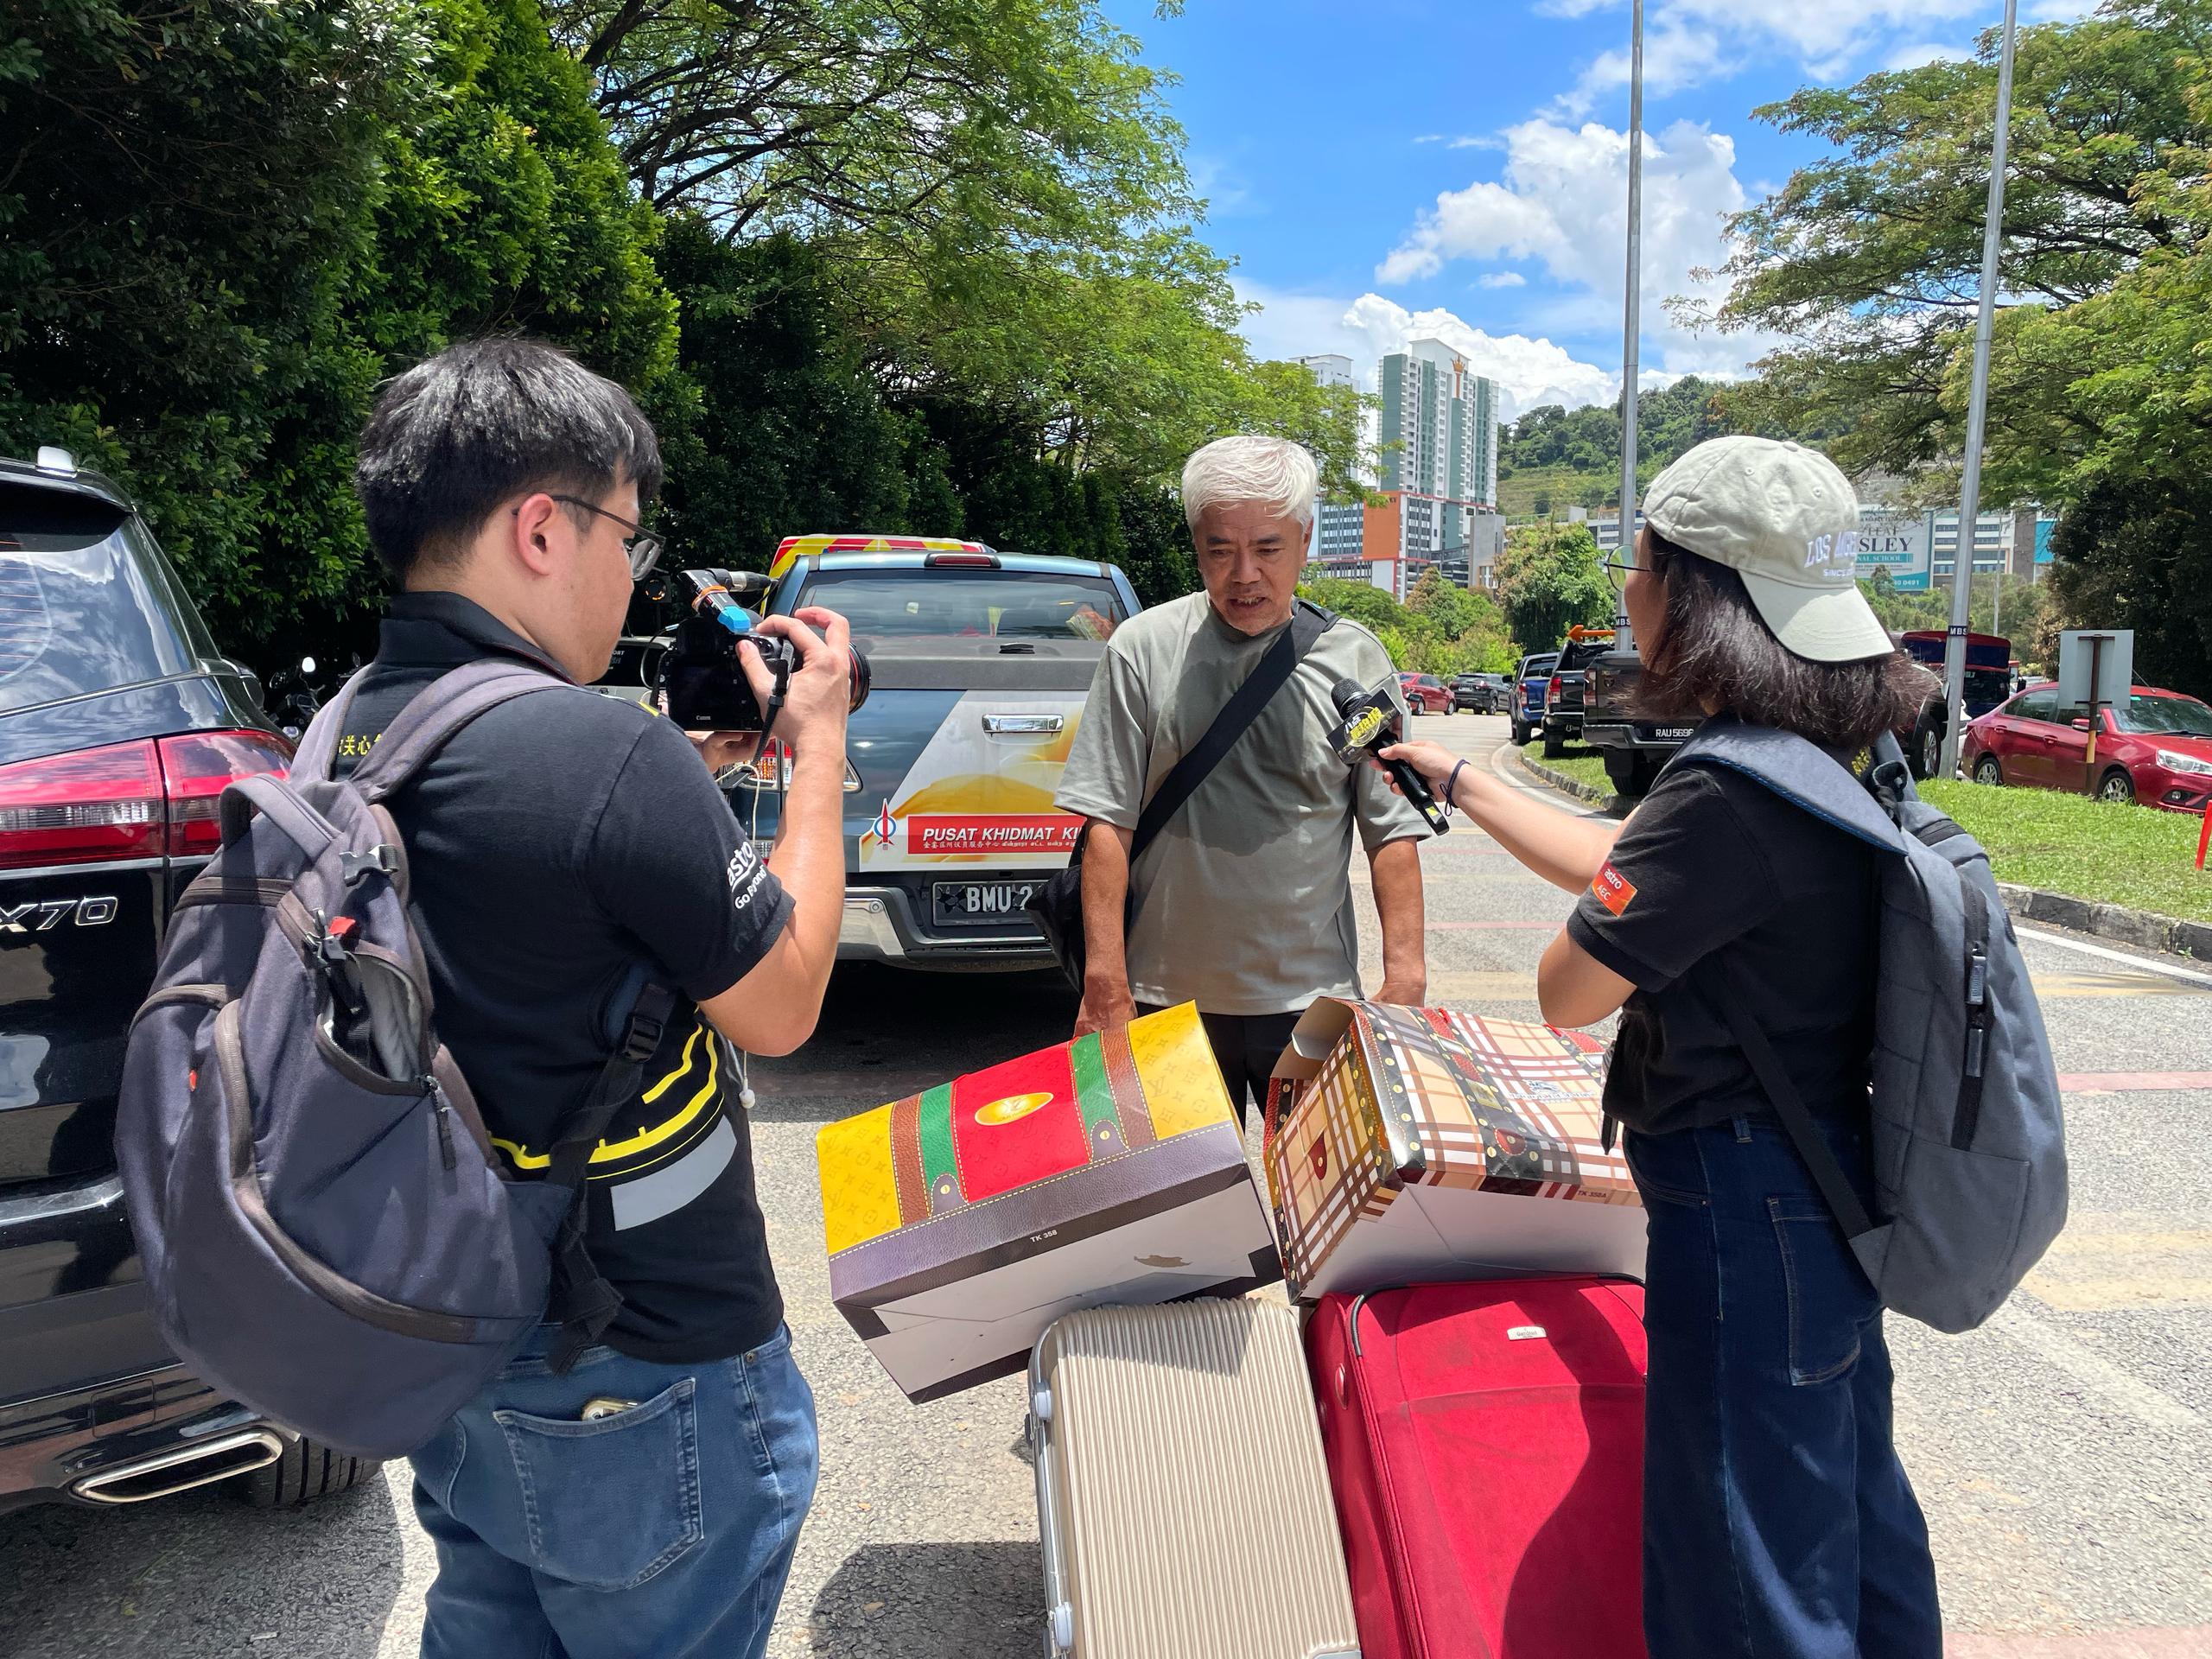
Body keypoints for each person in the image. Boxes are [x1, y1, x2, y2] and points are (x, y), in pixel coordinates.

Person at [1380, 436, 1942, 1658]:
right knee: (1847, 1511)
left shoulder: (1721, 794)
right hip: (1829, 1179)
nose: (1627, 592)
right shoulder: (1828, 760)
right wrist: (1463, 782)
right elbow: (1637, 862)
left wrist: (1613, 900)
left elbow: (1568, 989)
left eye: (1637, 566)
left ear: (1696, 597)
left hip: (1740, 1201)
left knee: (1743, 1558)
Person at [344, 338, 849, 1659]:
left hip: (456, 1331)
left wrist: (679, 786)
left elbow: (528, 891)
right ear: (539, 529)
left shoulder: (350, 729)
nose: (632, 571)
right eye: (627, 533)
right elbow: (785, 1004)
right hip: (642, 1357)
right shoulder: (602, 753)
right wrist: (817, 755)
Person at [1055, 435, 1428, 1120]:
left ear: (1306, 541)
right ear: (1196, 546)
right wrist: (1106, 982)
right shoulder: (1142, 650)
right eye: (1220, 550)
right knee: (1187, 1192)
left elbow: (1391, 829)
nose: (1244, 574)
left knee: (1319, 1188)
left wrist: (1406, 975)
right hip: (1165, 1002)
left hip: (1313, 1003)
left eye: (1268, 548)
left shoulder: (1355, 660)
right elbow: (1108, 820)